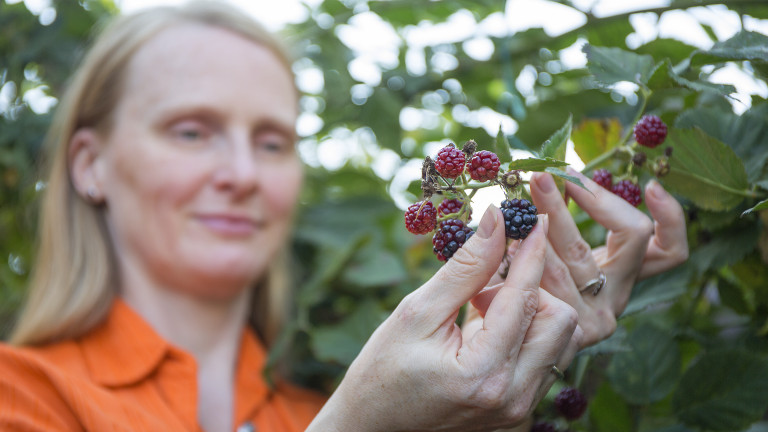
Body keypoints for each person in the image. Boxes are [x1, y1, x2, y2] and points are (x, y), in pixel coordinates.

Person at [0, 2, 688, 431]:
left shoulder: (320, 396)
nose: (242, 173)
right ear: (89, 164)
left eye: (272, 141)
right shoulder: (22, 397)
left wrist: (527, 348)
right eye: (191, 131)